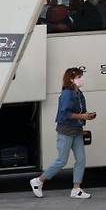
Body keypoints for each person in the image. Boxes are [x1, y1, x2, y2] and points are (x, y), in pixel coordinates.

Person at [30, 68, 96, 199]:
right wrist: (82, 116)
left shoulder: (78, 93)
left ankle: (76, 189)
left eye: (81, 76)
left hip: (76, 131)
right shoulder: (67, 93)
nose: (81, 79)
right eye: (79, 77)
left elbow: (78, 111)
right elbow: (64, 113)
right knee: (61, 160)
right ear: (71, 79)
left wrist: (86, 116)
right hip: (66, 131)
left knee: (81, 159)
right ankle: (38, 181)